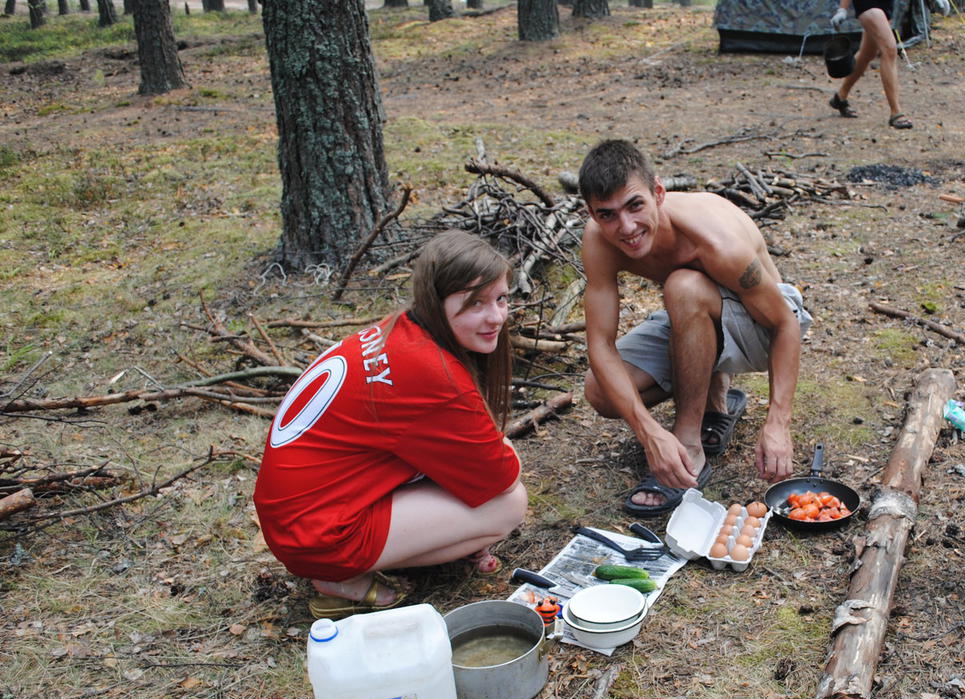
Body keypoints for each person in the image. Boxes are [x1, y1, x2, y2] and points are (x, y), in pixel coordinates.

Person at [253, 230, 528, 619]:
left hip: (300, 514)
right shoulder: (431, 373)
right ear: (436, 302)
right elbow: (499, 477)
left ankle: (389, 549)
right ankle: (340, 578)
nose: (496, 316)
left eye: (501, 299)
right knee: (508, 505)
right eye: (474, 303)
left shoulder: (403, 329)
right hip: (317, 533)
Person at [577, 139, 813, 517]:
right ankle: (715, 399)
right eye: (607, 215)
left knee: (684, 286)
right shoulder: (598, 242)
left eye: (635, 205)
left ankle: (689, 443)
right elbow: (601, 346)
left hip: (765, 326)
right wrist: (649, 432)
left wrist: (778, 422)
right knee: (600, 392)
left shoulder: (715, 241)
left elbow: (784, 323)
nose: (626, 227)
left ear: (658, 192)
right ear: (591, 212)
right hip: (697, 314)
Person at [828, 0, 913, 129]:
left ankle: (840, 97)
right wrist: (842, 9)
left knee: (867, 54)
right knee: (889, 50)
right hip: (868, 4)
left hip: (885, 6)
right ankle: (896, 113)